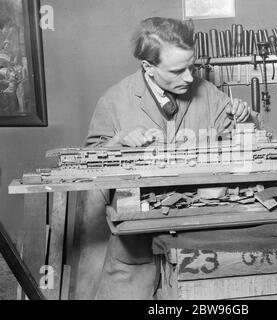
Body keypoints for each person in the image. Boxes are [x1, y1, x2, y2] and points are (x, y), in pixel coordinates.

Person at [73, 17, 257, 300]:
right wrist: (117, 142)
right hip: (134, 246)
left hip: (193, 243)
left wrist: (246, 117)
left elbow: (250, 140)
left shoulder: (207, 93)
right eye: (178, 70)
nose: (189, 77)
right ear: (148, 67)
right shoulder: (115, 100)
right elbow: (88, 165)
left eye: (192, 66)